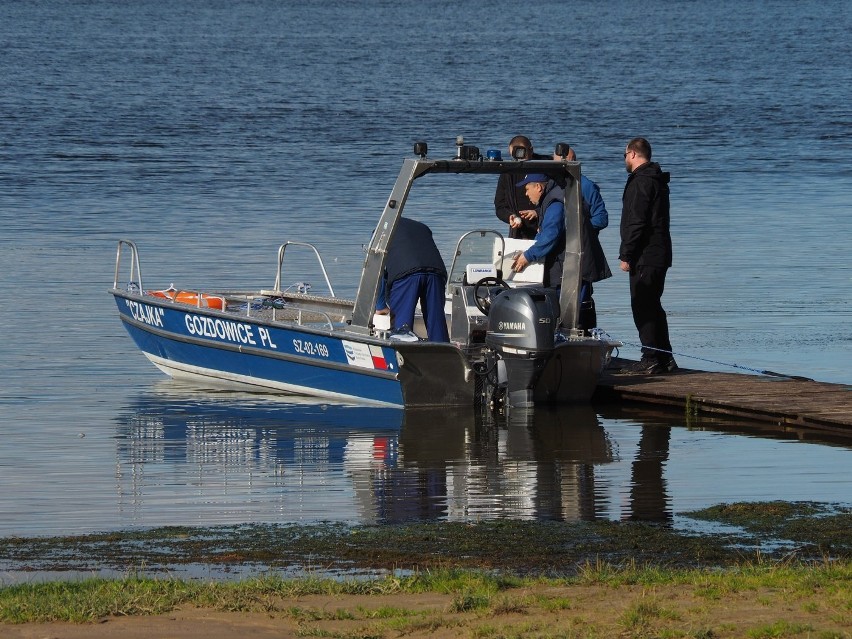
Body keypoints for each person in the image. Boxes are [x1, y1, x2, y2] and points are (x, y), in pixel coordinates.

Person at [619, 137, 676, 373]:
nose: (624, 160)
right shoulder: (655, 179)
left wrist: (627, 254)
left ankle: (651, 356)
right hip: (658, 253)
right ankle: (665, 358)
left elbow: (637, 221)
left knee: (643, 306)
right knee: (653, 305)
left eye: (624, 155)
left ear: (633, 154)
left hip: (645, 255)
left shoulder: (641, 182)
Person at [553, 145, 611, 329]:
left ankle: (582, 336)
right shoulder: (551, 185)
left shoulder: (585, 185)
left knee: (581, 301)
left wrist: (579, 230)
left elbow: (602, 218)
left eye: (566, 162)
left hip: (581, 255)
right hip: (556, 257)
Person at [375, 217, 450, 342]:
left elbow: (378, 272)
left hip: (407, 275)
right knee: (437, 324)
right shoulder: (421, 227)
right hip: (436, 272)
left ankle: (403, 356)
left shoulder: (381, 231)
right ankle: (444, 355)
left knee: (402, 329)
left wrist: (381, 305)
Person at [510, 174, 565, 288]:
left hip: (565, 271)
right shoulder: (550, 200)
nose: (526, 194)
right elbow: (544, 234)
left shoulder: (555, 204)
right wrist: (527, 251)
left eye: (527, 189)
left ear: (538, 187)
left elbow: (551, 235)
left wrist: (528, 256)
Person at [494, 135, 548, 239]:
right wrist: (510, 217)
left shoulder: (546, 166)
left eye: (523, 152)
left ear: (531, 150)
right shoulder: (507, 173)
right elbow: (500, 207)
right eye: (514, 153)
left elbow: (558, 199)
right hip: (519, 232)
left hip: (543, 228)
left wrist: (537, 212)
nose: (519, 157)